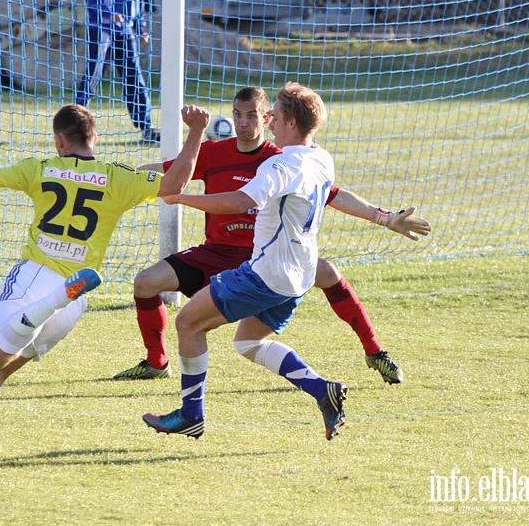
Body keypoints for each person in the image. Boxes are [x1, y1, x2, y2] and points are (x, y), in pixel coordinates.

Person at [0, 103, 208, 460]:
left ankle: (52, 300)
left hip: (38, 279)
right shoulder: (116, 177)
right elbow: (176, 182)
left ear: (58, 140)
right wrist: (195, 132)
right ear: (94, 138)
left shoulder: (42, 169)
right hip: (75, 304)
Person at [114, 87, 430, 385]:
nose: (242, 121)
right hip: (216, 252)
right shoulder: (214, 153)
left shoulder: (284, 160)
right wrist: (126, 178)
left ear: (269, 120)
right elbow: (160, 171)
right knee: (145, 282)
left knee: (328, 273)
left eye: (252, 115)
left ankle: (375, 351)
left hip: (264, 256)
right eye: (237, 114)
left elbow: (333, 195)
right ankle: (156, 362)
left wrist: (383, 217)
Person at [141, 82, 342, 441]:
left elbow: (238, 202)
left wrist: (182, 198)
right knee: (249, 343)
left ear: (291, 123)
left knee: (188, 323)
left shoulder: (280, 164)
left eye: (275, 117)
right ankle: (321, 390)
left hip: (265, 274)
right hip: (298, 275)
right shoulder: (321, 158)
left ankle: (191, 416)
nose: (272, 123)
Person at [75, 0, 159, 144]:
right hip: (102, 29)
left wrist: (141, 28)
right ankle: (74, 125)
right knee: (94, 75)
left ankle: (146, 128)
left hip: (126, 30)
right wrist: (110, 14)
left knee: (134, 77)